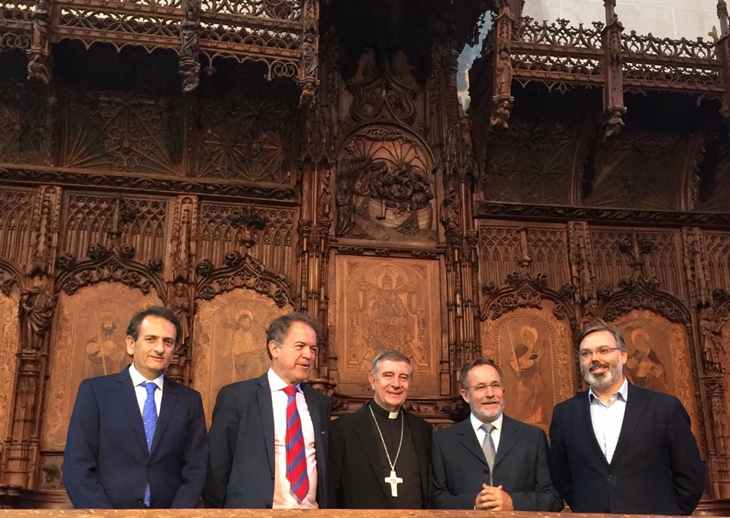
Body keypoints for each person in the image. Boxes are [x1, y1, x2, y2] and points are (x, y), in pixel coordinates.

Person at [548, 325, 706, 515]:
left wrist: (669, 514)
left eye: (604, 350)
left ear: (623, 356)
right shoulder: (564, 413)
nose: (595, 359)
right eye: (586, 353)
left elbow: (691, 476)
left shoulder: (664, 408)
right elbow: (561, 475)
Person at [63, 306, 208, 508]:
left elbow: (195, 469)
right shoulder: (96, 392)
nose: (160, 349)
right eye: (151, 339)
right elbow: (76, 466)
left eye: (168, 342)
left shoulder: (188, 401)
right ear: (131, 344)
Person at [204, 311, 331, 508]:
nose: (309, 355)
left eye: (313, 349)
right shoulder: (238, 398)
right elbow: (215, 469)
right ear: (275, 348)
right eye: (300, 346)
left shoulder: (319, 403)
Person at [431, 358, 562, 511]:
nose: (490, 394)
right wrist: (474, 503)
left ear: (503, 390)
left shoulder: (533, 438)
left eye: (495, 385)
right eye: (480, 387)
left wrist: (513, 502)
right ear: (466, 395)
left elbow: (553, 498)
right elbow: (434, 498)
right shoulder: (444, 441)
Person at [328, 349, 432, 508]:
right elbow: (331, 492)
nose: (396, 384)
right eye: (388, 375)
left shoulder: (423, 430)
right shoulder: (343, 430)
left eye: (403, 377)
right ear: (372, 380)